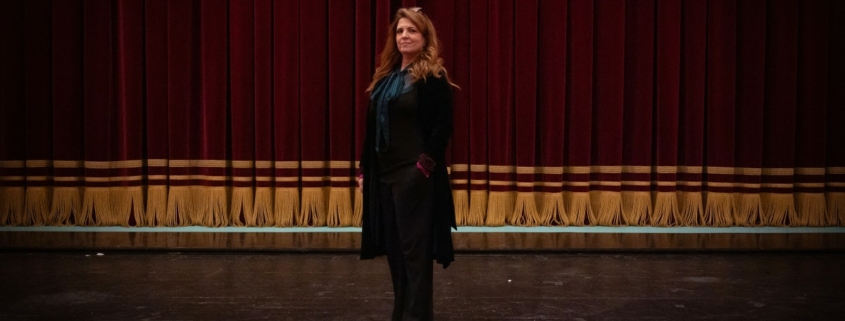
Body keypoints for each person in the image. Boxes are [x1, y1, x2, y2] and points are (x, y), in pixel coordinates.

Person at [357, 7, 459, 321]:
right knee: (396, 255)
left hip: (413, 177)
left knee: (415, 256)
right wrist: (364, 171)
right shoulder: (386, 79)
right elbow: (372, 129)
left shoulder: (432, 78)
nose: (404, 36)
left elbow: (442, 127)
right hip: (384, 177)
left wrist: (423, 168)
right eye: (400, 31)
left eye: (412, 30)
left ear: (425, 37)